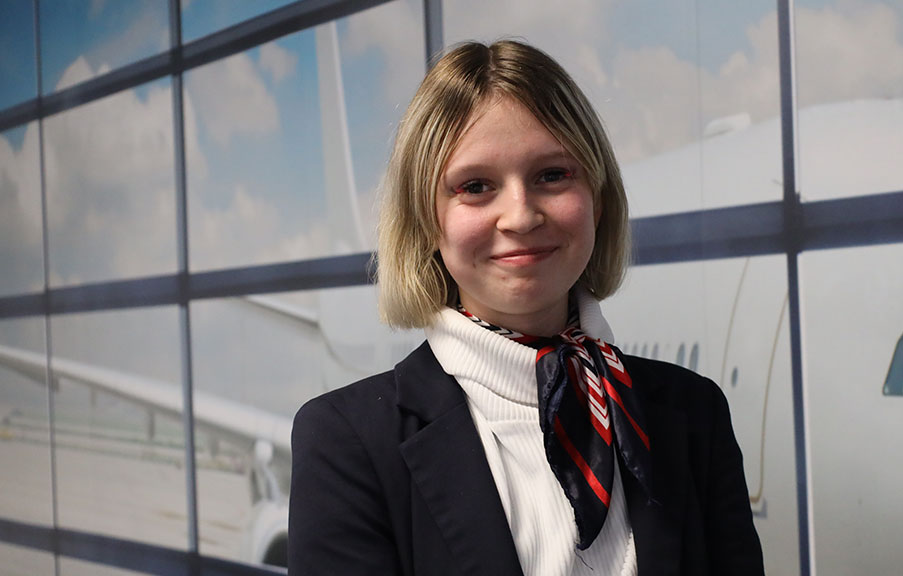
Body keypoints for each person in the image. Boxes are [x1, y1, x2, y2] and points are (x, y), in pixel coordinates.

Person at [289, 39, 763, 575]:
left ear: (598, 198)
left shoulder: (694, 413)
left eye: (552, 175)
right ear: (427, 220)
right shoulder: (346, 443)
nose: (520, 215)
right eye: (475, 186)